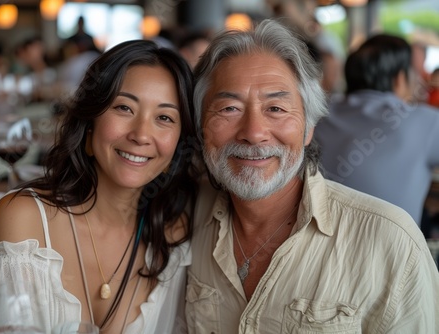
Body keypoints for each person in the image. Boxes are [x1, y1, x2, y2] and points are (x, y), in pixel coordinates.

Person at [186, 19, 439, 333]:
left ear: (309, 128)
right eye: (228, 108)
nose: (253, 133)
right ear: (200, 126)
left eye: (276, 108)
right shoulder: (181, 220)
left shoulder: (391, 243)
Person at [0, 39, 199, 333]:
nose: (142, 134)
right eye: (124, 108)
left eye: (164, 118)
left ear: (178, 145)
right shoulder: (25, 220)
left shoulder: (174, 232)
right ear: (90, 124)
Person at [315, 34, 439, 226]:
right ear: (399, 78)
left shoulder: (318, 113)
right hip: (394, 252)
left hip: (317, 246)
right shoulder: (425, 121)